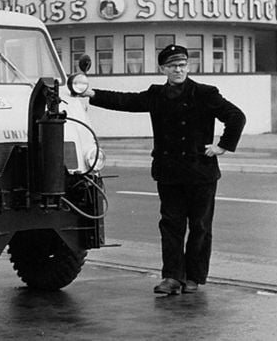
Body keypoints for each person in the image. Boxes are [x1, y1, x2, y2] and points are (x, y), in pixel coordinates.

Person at [80, 44, 246, 295]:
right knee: (171, 225)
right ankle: (172, 277)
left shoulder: (205, 93)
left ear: (188, 67)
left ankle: (194, 277)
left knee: (200, 226)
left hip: (200, 172)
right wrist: (91, 93)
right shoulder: (156, 94)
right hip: (169, 172)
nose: (178, 70)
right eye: (172, 66)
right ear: (163, 69)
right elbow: (126, 101)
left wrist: (222, 146)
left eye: (182, 65)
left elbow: (236, 116)